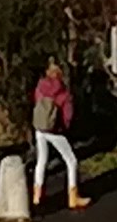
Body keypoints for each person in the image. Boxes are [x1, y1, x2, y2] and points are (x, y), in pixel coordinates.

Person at [29, 56, 85, 210]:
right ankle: (73, 197)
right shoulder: (64, 93)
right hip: (55, 131)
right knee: (71, 160)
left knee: (41, 161)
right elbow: (68, 115)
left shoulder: (40, 87)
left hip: (39, 128)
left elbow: (36, 102)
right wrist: (63, 128)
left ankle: (37, 195)